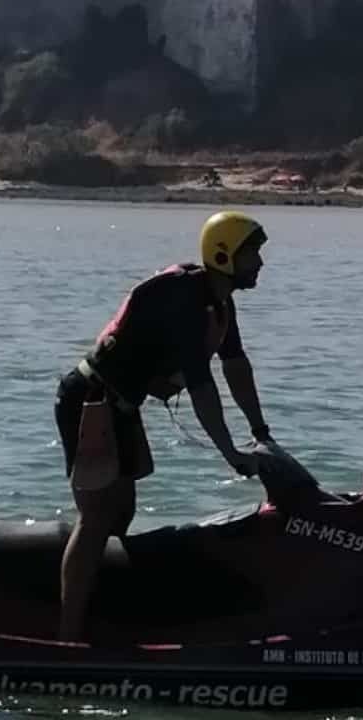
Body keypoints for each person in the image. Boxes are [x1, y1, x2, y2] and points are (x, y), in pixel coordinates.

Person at [53, 210, 276, 644]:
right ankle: (67, 639)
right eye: (253, 255)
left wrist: (261, 430)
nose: (261, 265)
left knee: (121, 513)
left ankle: (103, 614)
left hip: (120, 406)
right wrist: (232, 455)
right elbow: (203, 390)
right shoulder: (184, 300)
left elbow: (236, 367)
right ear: (224, 254)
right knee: (98, 517)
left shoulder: (218, 303)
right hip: (89, 401)